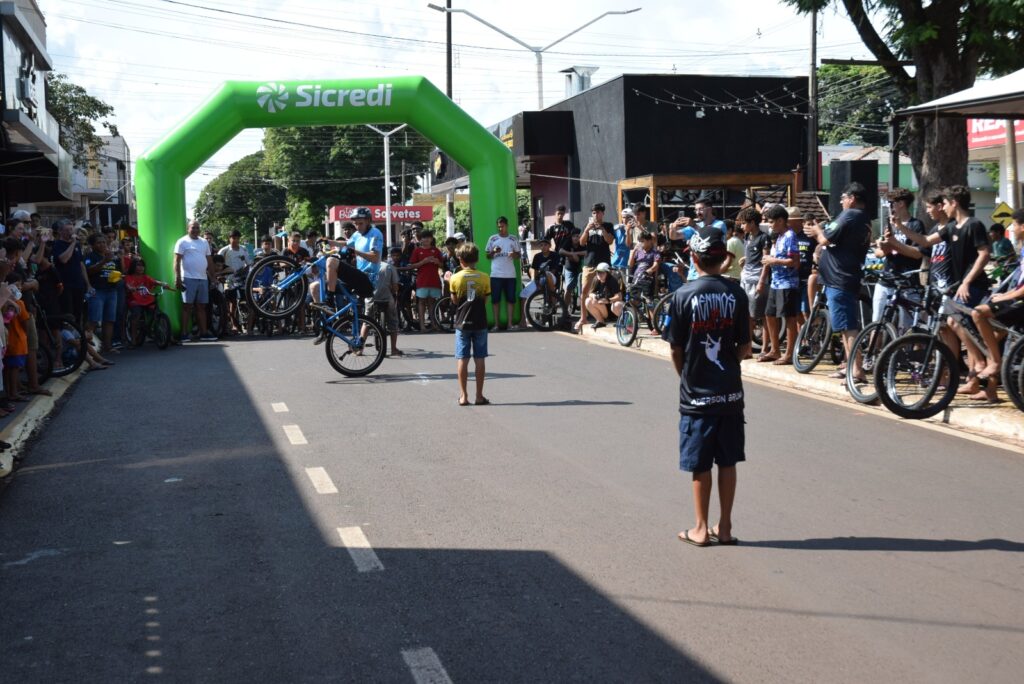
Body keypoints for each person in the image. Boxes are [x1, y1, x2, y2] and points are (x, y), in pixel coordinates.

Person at [665, 226, 751, 547]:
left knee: (700, 464)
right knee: (727, 461)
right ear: (724, 258)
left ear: (693, 258)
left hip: (696, 396)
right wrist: (727, 364)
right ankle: (724, 527)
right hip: (730, 393)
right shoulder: (737, 294)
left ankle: (700, 529)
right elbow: (745, 346)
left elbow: (675, 349)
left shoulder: (682, 295)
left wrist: (687, 375)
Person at [893, 185, 992, 398]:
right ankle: (974, 377)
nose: (942, 207)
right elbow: (925, 241)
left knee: (956, 323)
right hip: (956, 287)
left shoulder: (974, 224)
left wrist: (966, 281)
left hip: (973, 286)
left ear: (954, 203)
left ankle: (980, 364)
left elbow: (985, 254)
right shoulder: (952, 227)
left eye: (945, 203)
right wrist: (900, 228)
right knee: (957, 325)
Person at [803, 182, 872, 382]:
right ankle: (849, 366)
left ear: (852, 198)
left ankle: (857, 370)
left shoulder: (850, 215)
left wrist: (817, 230)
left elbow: (825, 239)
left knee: (848, 326)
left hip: (840, 279)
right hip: (843, 277)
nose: (841, 202)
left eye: (843, 198)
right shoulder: (863, 218)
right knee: (843, 325)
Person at [872, 188, 925, 324]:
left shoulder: (915, 225)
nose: (889, 207)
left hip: (906, 282)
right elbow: (879, 253)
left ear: (901, 203)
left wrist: (894, 245)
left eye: (891, 203)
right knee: (877, 323)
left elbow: (917, 254)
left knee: (906, 327)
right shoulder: (890, 224)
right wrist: (883, 247)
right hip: (886, 279)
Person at [449, 242, 491, 406]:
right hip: (480, 321)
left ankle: (463, 396)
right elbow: (485, 299)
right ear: (477, 259)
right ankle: (479, 396)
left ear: (461, 260)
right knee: (480, 358)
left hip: (462, 322)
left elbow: (454, 300)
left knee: (462, 358)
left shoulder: (455, 278)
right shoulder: (484, 277)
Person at [758, 205, 800, 365]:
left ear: (781, 221)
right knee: (769, 314)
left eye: (771, 222)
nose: (770, 225)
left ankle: (789, 354)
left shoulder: (790, 236)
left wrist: (773, 260)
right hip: (775, 283)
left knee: (789, 317)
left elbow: (794, 262)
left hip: (787, 283)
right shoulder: (779, 237)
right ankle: (775, 350)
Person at [173, 220, 216, 342]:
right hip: (188, 278)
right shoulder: (182, 241)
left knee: (201, 306)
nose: (196, 230)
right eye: (193, 228)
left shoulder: (204, 242)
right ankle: (184, 333)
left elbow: (209, 260)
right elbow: (176, 261)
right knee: (187, 306)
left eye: (197, 228)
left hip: (203, 278)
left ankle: (203, 333)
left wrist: (213, 277)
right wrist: (177, 277)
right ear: (188, 228)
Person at [576, 203, 615, 332]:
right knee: (584, 291)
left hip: (603, 264)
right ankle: (583, 318)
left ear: (603, 213)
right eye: (593, 213)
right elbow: (581, 243)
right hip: (589, 263)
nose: (596, 215)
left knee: (607, 291)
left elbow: (610, 241)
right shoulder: (587, 226)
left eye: (598, 212)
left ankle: (608, 316)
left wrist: (602, 229)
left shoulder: (608, 226)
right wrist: (587, 230)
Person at [83, 234, 121, 354]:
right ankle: (86, 349)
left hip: (112, 290)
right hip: (97, 291)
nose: (102, 244)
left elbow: (117, 270)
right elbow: (89, 270)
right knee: (94, 320)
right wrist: (104, 261)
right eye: (99, 242)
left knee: (109, 320)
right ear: (92, 245)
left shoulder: (111, 256)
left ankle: (107, 347)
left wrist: (118, 276)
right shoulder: (89, 256)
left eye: (104, 242)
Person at [124, 258, 174, 345]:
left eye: (142, 266)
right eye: (138, 265)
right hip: (135, 300)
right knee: (136, 314)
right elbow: (128, 285)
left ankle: (168, 336)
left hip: (147, 300)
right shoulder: (129, 277)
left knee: (157, 312)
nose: (141, 268)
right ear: (133, 267)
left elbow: (154, 281)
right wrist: (131, 288)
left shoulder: (145, 277)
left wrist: (163, 284)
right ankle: (133, 339)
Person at [737, 208, 768, 345]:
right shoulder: (747, 237)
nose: (742, 226)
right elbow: (752, 255)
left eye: (744, 223)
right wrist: (745, 259)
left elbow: (766, 260)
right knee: (747, 315)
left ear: (753, 223)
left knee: (762, 315)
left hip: (757, 278)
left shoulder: (764, 238)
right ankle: (747, 347)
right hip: (745, 277)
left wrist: (762, 281)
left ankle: (765, 347)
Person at [485, 216, 522, 330]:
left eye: (503, 226)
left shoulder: (513, 238)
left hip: (510, 275)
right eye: (499, 227)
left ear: (507, 225)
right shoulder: (493, 238)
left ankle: (510, 324)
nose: (501, 229)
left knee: (511, 299)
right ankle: (496, 325)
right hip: (496, 274)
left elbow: (519, 255)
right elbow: (487, 256)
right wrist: (493, 251)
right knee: (495, 300)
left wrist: (514, 254)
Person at [545, 205, 582, 316]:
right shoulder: (552, 228)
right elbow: (546, 242)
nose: (560, 216)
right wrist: (549, 252)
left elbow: (576, 236)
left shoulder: (569, 225)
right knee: (554, 282)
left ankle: (569, 304)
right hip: (557, 256)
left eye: (562, 213)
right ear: (555, 214)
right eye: (558, 214)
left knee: (569, 283)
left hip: (569, 255)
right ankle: (553, 304)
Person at [52, 219, 89, 327]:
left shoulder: (77, 246)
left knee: (78, 313)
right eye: (67, 230)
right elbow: (64, 259)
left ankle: (78, 334)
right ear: (60, 231)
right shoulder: (57, 244)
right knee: (68, 314)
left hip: (78, 284)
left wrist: (87, 283)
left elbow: (81, 264)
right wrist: (73, 243)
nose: (70, 232)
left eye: (71, 229)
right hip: (66, 285)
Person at [410, 230, 444, 331]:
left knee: (432, 302)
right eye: (424, 238)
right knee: (421, 302)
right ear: (420, 240)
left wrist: (437, 262)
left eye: (428, 237)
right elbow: (412, 265)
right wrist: (423, 262)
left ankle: (433, 324)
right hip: (422, 281)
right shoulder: (417, 251)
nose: (426, 239)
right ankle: (422, 326)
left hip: (434, 281)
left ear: (432, 239)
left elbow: (442, 265)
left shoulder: (436, 250)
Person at [374, 247, 404, 356]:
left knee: (367, 322)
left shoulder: (368, 266)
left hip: (372, 298)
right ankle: (393, 349)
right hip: (387, 297)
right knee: (393, 322)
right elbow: (395, 287)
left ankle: (360, 348)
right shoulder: (390, 267)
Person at [584, 262, 624, 329]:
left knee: (617, 304)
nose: (599, 274)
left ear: (607, 273)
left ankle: (624, 321)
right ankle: (601, 321)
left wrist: (608, 300)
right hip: (603, 309)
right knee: (588, 301)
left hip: (612, 309)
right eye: (598, 272)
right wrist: (594, 296)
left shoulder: (612, 280)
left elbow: (619, 296)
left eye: (602, 272)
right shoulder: (596, 279)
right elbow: (590, 293)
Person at [611, 207, 635, 281]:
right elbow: (610, 242)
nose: (625, 220)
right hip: (615, 262)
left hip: (627, 264)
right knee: (613, 284)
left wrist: (627, 230)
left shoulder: (634, 229)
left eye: (627, 217)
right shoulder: (617, 228)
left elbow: (629, 245)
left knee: (627, 285)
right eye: (623, 217)